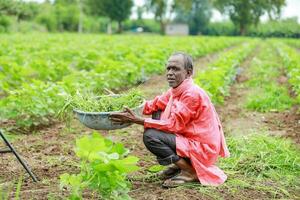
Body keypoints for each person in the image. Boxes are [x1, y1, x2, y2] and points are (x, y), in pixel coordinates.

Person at [110, 52, 230, 187]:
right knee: (158, 111)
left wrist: (137, 120)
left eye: (176, 69)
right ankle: (181, 166)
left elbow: (173, 125)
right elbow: (151, 106)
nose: (170, 73)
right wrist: (120, 101)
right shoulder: (176, 90)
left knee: (151, 136)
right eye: (168, 68)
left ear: (188, 73)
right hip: (189, 139)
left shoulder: (191, 94)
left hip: (202, 148)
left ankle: (190, 171)